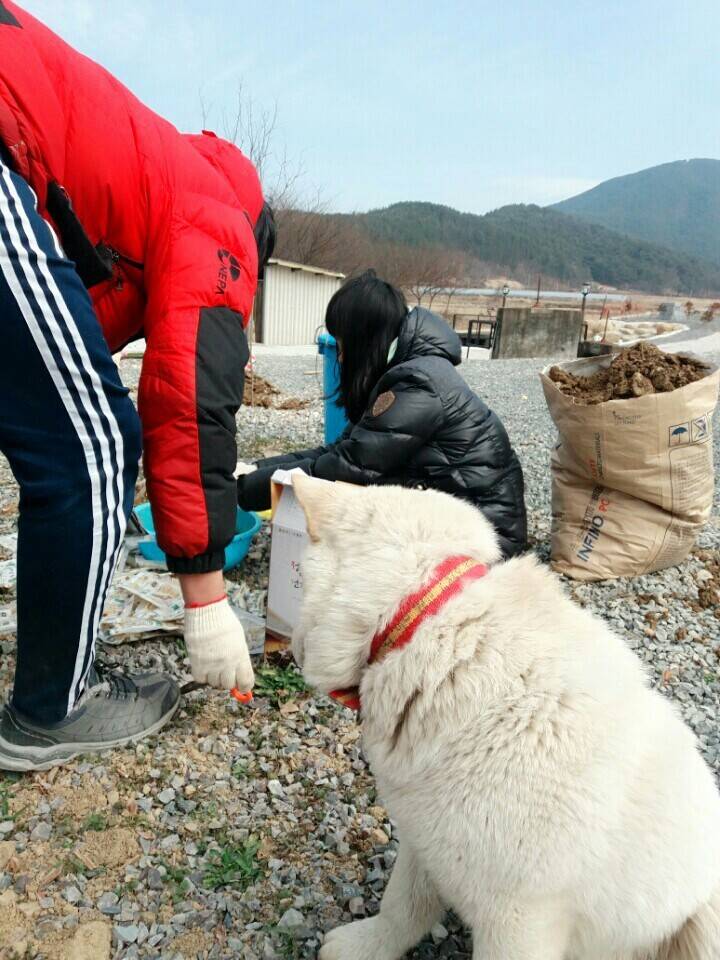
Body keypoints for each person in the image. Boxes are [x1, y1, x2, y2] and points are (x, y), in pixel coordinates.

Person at [0, 2, 275, 771]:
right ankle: (52, 709)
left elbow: (63, 334)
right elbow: (185, 402)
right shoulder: (217, 214)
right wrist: (206, 598)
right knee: (93, 448)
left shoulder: (145, 174)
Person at [237, 271, 527, 559]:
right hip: (464, 514)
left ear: (364, 339)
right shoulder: (407, 370)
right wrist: (251, 469)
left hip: (488, 535)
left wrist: (242, 491)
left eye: (341, 344)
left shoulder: (417, 383)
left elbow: (348, 466)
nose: (339, 356)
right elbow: (338, 451)